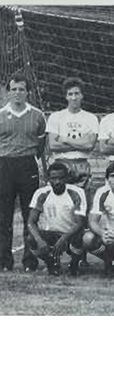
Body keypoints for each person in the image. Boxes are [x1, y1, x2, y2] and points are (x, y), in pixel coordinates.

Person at [0, 75, 46, 272]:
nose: (17, 93)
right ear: (8, 92)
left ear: (27, 92)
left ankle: (30, 261)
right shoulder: (1, 114)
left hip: (28, 165)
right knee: (4, 215)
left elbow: (41, 144)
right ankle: (4, 261)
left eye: (21, 89)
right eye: (14, 89)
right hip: (4, 165)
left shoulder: (37, 115)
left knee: (30, 214)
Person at [26, 162, 87, 276]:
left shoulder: (77, 192)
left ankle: (74, 265)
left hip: (70, 234)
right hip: (51, 234)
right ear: (48, 179)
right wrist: (40, 240)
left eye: (61, 178)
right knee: (31, 239)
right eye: (54, 178)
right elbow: (31, 222)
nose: (58, 182)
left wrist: (63, 238)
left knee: (81, 237)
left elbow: (79, 223)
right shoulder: (41, 193)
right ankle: (51, 264)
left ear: (67, 178)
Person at [46, 77, 98, 194]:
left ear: (82, 95)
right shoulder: (56, 117)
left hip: (82, 165)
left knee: (82, 204)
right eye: (70, 94)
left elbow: (89, 145)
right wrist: (80, 142)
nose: (73, 97)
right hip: (61, 165)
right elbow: (53, 145)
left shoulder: (91, 118)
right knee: (62, 202)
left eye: (76, 93)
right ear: (66, 96)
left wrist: (64, 139)